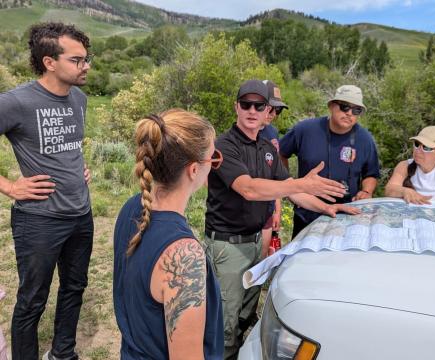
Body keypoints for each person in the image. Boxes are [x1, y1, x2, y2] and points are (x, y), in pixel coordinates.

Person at [204, 79, 360, 359]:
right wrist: (301, 184)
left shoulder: (266, 148)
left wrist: (330, 209)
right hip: (228, 247)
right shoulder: (223, 147)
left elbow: (291, 190)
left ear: (268, 112)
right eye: (246, 104)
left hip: (256, 244)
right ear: (236, 107)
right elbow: (249, 189)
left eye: (259, 105)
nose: (252, 110)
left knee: (245, 315)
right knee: (224, 324)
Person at [0, 23, 93, 360]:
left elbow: (67, 146)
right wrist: (10, 186)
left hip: (81, 214)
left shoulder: (79, 98)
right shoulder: (16, 102)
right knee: (32, 299)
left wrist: (79, 168)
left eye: (87, 59)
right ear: (49, 62)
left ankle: (63, 353)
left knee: (74, 288)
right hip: (39, 220)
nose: (86, 66)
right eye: (78, 60)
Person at [113, 109, 224, 360]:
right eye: (212, 159)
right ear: (194, 170)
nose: (214, 166)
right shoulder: (184, 254)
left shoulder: (132, 207)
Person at [280, 84, 380, 238]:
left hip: (347, 216)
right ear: (332, 106)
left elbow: (371, 174)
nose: (349, 114)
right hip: (307, 213)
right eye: (345, 107)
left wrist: (366, 191)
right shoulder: (305, 130)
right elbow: (280, 153)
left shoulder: (365, 139)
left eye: (356, 110)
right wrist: (289, 186)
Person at [259, 80, 288, 257]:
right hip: (247, 212)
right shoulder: (247, 133)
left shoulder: (272, 133)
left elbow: (275, 175)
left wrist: (277, 209)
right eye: (269, 108)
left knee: (264, 259)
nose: (272, 114)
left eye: (277, 110)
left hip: (269, 207)